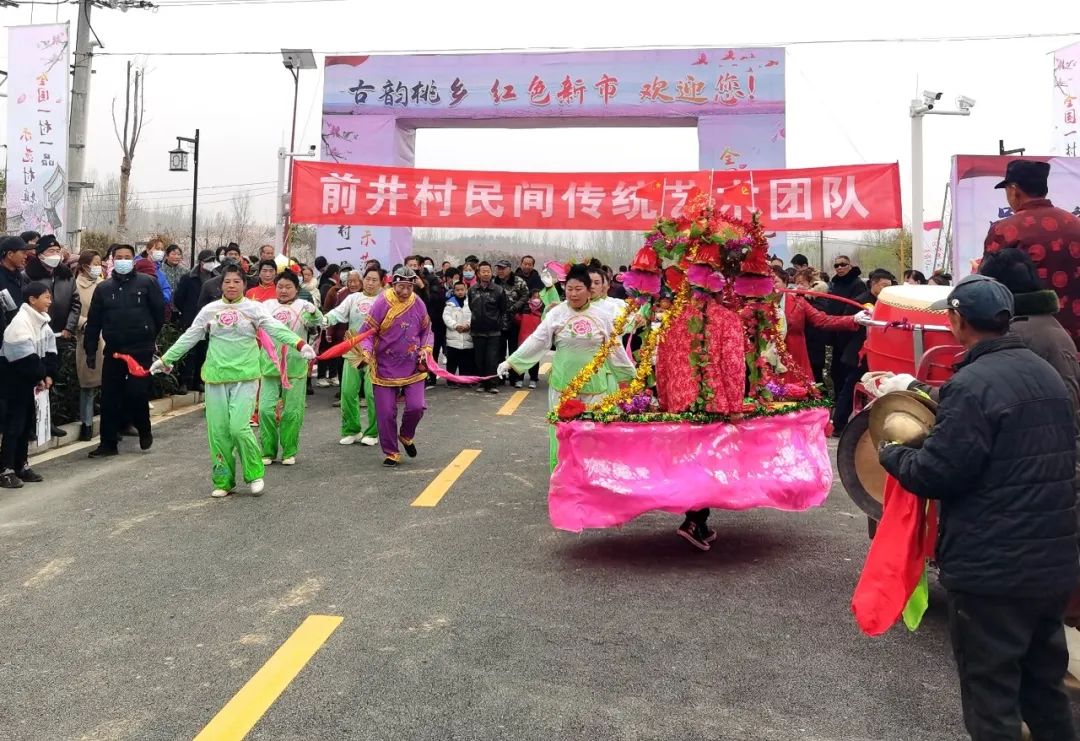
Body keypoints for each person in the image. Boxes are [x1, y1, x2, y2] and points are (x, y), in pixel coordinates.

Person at [878, 275, 1079, 741]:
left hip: (993, 569)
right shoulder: (1043, 372)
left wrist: (891, 452)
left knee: (991, 697)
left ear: (956, 320)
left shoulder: (972, 383)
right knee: (1045, 688)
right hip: (1052, 564)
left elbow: (937, 472)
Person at [153, 264, 315, 497]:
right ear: (221, 285)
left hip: (245, 376)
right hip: (216, 376)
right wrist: (167, 359)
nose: (231, 285)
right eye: (227, 281)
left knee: (239, 428)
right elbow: (190, 336)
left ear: (244, 285)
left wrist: (300, 344)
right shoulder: (210, 310)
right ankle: (223, 480)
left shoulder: (254, 309)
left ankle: (254, 472)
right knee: (218, 431)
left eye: (236, 281)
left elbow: (276, 328)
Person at [500, 263, 635, 470]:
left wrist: (629, 378)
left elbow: (614, 348)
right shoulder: (557, 314)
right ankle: (561, 476)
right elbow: (538, 339)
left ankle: (591, 476)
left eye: (578, 289)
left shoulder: (603, 316)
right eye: (569, 289)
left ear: (589, 291)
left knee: (593, 432)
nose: (573, 294)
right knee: (561, 431)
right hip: (562, 383)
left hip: (594, 385)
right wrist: (512, 361)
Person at [984, 159, 1080, 350]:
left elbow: (988, 289)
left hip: (1028, 343)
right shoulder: (1075, 224)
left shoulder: (1006, 229)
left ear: (1014, 189)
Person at [84, 244, 165, 458]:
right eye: (118, 257)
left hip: (140, 350)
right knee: (110, 397)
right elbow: (94, 322)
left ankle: (144, 429)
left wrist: (149, 335)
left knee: (136, 393)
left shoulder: (147, 283)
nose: (122, 260)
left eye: (126, 257)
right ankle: (108, 443)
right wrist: (90, 350)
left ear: (133, 260)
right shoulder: (104, 288)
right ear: (112, 260)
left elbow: (159, 313)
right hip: (114, 350)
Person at [354, 267, 434, 466]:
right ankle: (391, 451)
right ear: (392, 284)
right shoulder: (382, 302)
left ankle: (406, 435)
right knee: (386, 412)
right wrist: (365, 351)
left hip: (412, 364)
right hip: (385, 365)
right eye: (401, 287)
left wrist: (426, 348)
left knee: (417, 407)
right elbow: (367, 332)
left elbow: (427, 329)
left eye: (409, 287)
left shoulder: (418, 303)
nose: (405, 292)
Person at [258, 270, 323, 465]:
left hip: (295, 365)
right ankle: (268, 451)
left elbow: (318, 322)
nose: (284, 290)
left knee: (292, 412)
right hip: (270, 365)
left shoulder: (303, 305)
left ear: (297, 288)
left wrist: (314, 311)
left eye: (288, 287)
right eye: (280, 286)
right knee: (265, 410)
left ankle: (289, 451)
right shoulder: (266, 306)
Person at [0, 283, 58, 489]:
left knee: (26, 426)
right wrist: (40, 376)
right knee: (14, 426)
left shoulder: (42, 321)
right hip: (14, 382)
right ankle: (5, 469)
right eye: (45, 297)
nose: (49, 301)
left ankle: (21, 465)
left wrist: (49, 374)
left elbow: (50, 350)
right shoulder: (20, 323)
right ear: (32, 300)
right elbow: (23, 358)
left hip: (32, 382)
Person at [323, 266, 382, 446]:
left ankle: (373, 432)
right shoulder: (353, 298)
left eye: (374, 280)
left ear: (381, 282)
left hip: (375, 351)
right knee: (348, 391)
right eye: (368, 279)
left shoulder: (385, 300)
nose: (370, 283)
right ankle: (352, 430)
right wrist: (325, 319)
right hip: (353, 349)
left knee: (372, 394)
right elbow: (338, 313)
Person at [833, 268, 895, 435]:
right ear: (873, 284)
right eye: (883, 286)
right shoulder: (859, 302)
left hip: (878, 352)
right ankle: (838, 425)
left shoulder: (888, 303)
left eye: (889, 286)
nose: (886, 290)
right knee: (850, 388)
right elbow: (844, 329)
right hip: (858, 354)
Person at [770, 267, 859, 383]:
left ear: (786, 283)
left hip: (796, 358)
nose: (771, 286)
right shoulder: (758, 305)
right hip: (767, 360)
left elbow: (822, 320)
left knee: (797, 393)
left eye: (775, 281)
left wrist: (854, 319)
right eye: (768, 282)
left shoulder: (798, 302)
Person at [824, 255, 867, 417]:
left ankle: (847, 406)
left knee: (847, 372)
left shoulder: (857, 284)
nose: (840, 268)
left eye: (843, 265)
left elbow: (856, 309)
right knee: (835, 370)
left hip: (850, 334)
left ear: (850, 265)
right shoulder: (835, 283)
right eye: (836, 266)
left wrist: (845, 320)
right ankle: (838, 402)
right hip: (835, 332)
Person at [173, 249, 219, 394]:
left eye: (213, 260)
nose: (212, 264)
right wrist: (187, 312)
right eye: (209, 261)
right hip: (191, 318)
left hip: (210, 320)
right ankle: (184, 381)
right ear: (201, 262)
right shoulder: (189, 278)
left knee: (203, 351)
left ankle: (198, 380)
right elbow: (179, 298)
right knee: (189, 351)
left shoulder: (216, 278)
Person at [73, 250, 104, 441]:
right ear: (85, 266)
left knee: (109, 382)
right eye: (95, 263)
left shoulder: (104, 284)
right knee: (88, 384)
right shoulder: (74, 286)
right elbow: (71, 311)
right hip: (87, 338)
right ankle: (86, 424)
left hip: (107, 337)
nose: (98, 267)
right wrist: (85, 323)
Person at [468, 261, 507, 394]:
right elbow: (471, 306)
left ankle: (492, 383)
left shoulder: (498, 290)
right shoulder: (472, 290)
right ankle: (481, 382)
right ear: (478, 274)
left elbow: (503, 309)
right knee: (479, 359)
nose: (486, 274)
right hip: (477, 330)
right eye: (483, 271)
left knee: (492, 358)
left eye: (488, 271)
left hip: (493, 331)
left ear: (491, 273)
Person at [494, 260, 528, 387]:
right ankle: (500, 376)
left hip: (514, 321)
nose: (500, 271)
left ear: (509, 269)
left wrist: (515, 307)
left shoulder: (518, 281)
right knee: (499, 351)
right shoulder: (494, 281)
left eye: (503, 268)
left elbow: (526, 295)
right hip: (498, 321)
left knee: (515, 350)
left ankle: (515, 377)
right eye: (498, 268)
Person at [442, 280, 473, 385]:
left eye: (462, 290)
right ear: (454, 291)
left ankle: (465, 381)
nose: (460, 292)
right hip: (453, 339)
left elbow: (474, 316)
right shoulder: (449, 304)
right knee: (452, 362)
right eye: (457, 290)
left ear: (466, 290)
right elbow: (446, 318)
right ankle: (451, 381)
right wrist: (456, 326)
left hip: (467, 338)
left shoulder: (470, 303)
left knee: (466, 362)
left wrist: (468, 325)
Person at [198, 244, 245, 309]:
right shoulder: (209, 284)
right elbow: (202, 309)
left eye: (236, 254)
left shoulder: (245, 281)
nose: (231, 285)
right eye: (230, 254)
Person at [516, 289, 544, 389]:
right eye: (534, 297)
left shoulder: (543, 311)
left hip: (536, 340)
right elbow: (517, 319)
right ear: (530, 298)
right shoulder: (524, 309)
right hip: (523, 339)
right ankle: (519, 379)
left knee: (534, 360)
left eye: (538, 297)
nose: (536, 299)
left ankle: (533, 379)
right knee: (521, 359)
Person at [144, 238, 174, 306]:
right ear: (148, 250)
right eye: (157, 249)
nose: (160, 251)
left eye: (162, 249)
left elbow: (167, 290)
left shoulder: (160, 272)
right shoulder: (139, 268)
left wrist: (160, 298)